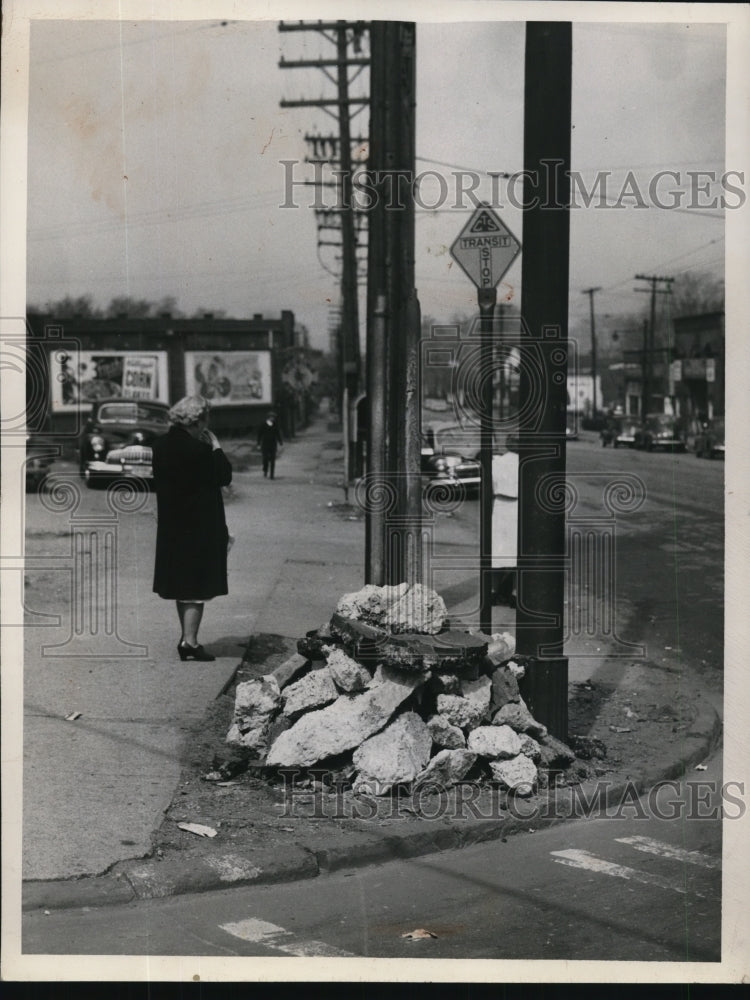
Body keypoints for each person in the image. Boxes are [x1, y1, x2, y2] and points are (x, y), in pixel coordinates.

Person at [152, 394, 232, 661]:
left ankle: (186, 638)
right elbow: (224, 475)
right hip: (199, 526)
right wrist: (216, 446)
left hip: (172, 526)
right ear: (198, 421)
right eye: (206, 419)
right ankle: (191, 643)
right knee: (197, 589)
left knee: (182, 586)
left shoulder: (160, 446)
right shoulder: (199, 451)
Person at [491, 436, 519, 608]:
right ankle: (514, 593)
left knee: (497, 549)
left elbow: (491, 484)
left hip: (500, 505)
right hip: (518, 506)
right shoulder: (526, 463)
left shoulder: (497, 462)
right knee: (516, 550)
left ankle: (494, 591)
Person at [256, 410, 283, 479]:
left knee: (273, 459)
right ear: (268, 418)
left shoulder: (275, 425)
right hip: (265, 443)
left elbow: (277, 433)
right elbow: (259, 434)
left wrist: (280, 441)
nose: (273, 418)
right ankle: (265, 469)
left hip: (273, 444)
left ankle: (272, 475)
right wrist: (258, 444)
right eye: (271, 417)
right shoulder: (263, 424)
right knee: (265, 458)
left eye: (274, 417)